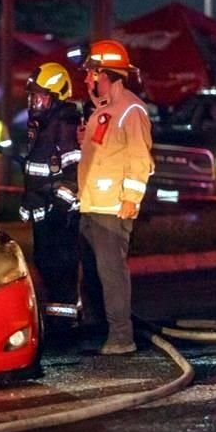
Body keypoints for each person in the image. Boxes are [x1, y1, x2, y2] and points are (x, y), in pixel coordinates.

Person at [77, 40, 154, 355]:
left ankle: (122, 337)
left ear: (102, 73)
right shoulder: (106, 110)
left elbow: (140, 158)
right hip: (93, 205)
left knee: (112, 277)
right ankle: (106, 330)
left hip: (111, 208)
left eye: (90, 73)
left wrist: (131, 199)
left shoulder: (131, 110)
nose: (86, 79)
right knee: (97, 276)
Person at [18, 63, 83, 325]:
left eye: (41, 96)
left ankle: (66, 321)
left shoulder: (65, 122)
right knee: (45, 262)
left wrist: (60, 207)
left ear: (56, 97)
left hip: (59, 213)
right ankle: (57, 317)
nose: (35, 101)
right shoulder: (41, 123)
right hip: (42, 207)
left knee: (61, 265)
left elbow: (73, 171)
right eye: (33, 96)